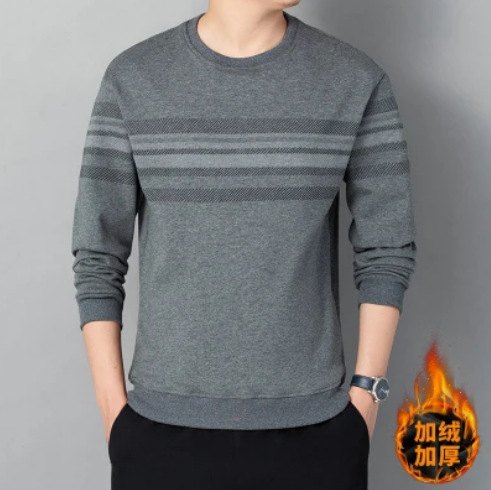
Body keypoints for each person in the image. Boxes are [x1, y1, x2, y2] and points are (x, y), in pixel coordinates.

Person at [71, 1, 417, 488]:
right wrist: (114, 413)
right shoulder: (134, 78)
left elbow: (387, 247)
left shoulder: (355, 80)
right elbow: (98, 253)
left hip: (316, 436)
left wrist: (367, 398)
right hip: (159, 434)